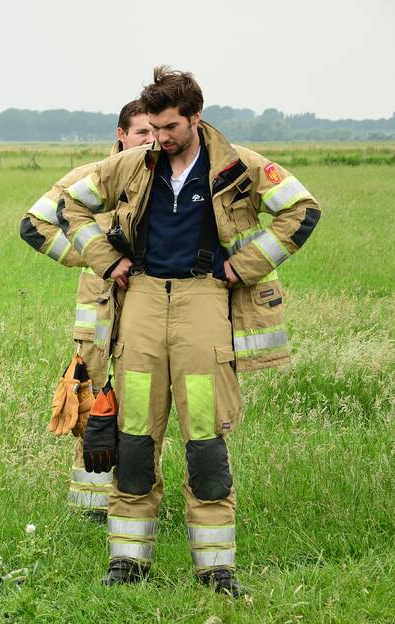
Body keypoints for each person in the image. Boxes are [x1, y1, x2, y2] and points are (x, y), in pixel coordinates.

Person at [58, 67, 320, 596]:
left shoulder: (240, 167)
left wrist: (242, 266)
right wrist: (108, 260)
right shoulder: (131, 165)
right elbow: (68, 205)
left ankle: (216, 569)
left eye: (170, 126)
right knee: (133, 440)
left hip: (205, 300)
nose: (160, 137)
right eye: (152, 127)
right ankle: (127, 563)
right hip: (144, 303)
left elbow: (302, 211)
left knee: (204, 442)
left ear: (196, 118)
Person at [19, 100, 153, 519]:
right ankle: (90, 507)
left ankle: (135, 498)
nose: (150, 141)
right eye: (141, 133)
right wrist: (95, 257)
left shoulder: (167, 179)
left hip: (149, 311)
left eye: (156, 132)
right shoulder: (94, 177)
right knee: (92, 407)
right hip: (97, 314)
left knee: (144, 407)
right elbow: (34, 225)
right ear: (121, 135)